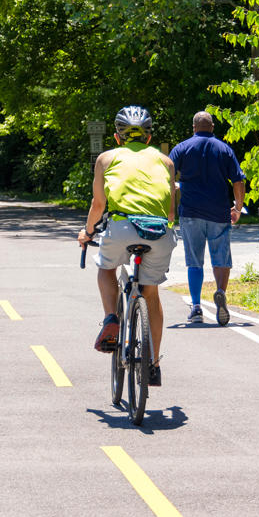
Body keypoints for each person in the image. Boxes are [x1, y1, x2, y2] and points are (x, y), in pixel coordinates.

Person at [77, 106, 176, 387]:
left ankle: (111, 318)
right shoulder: (166, 162)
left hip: (121, 228)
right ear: (148, 137)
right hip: (159, 232)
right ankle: (154, 363)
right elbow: (170, 213)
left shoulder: (106, 158)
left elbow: (99, 205)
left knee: (106, 268)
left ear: (118, 137)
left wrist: (87, 232)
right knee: (151, 294)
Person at [169, 111, 246, 325]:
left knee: (194, 261)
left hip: (191, 212)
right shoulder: (224, 149)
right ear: (212, 127)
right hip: (219, 212)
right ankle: (220, 291)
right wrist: (237, 208)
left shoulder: (182, 148)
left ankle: (196, 307)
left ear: (194, 128)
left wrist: (172, 200)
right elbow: (238, 182)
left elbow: (167, 174)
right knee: (221, 258)